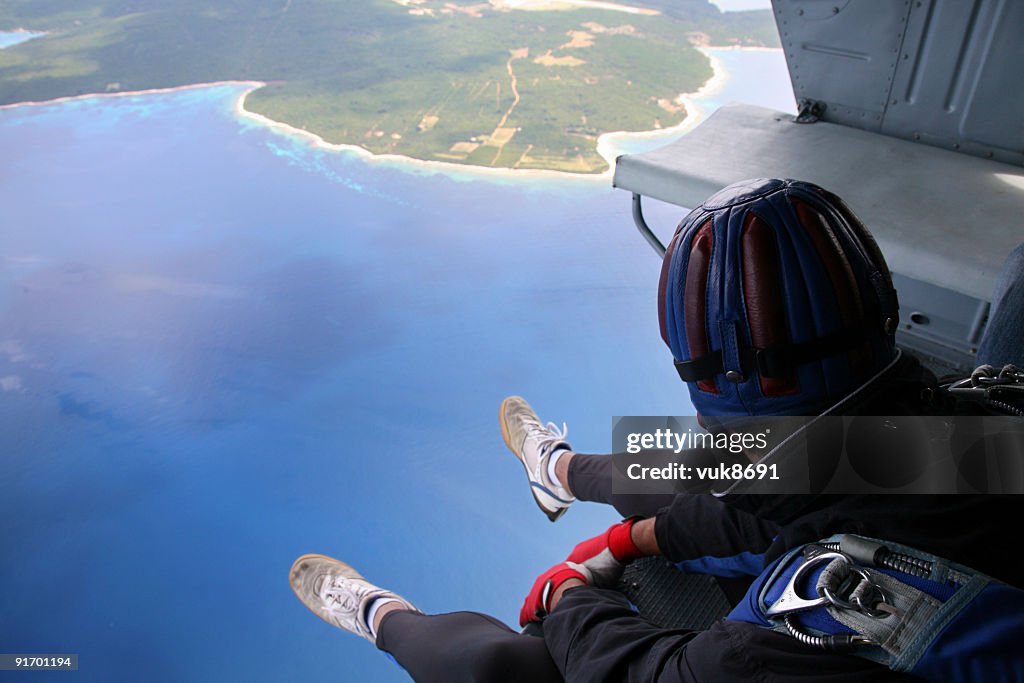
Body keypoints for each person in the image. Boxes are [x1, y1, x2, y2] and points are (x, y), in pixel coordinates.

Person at [288, 179, 1024, 682]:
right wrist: (629, 540)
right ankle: (561, 472)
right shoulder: (971, 428)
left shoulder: (796, 636)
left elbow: (646, 673)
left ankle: (385, 616)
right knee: (689, 468)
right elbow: (804, 480)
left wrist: (571, 595)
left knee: (497, 670)